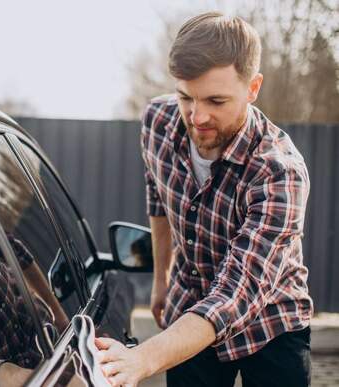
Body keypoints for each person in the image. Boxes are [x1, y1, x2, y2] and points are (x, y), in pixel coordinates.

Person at [96, 12, 312, 387]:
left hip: (271, 320)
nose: (197, 117)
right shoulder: (158, 122)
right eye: (185, 97)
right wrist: (162, 279)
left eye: (216, 100)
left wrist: (141, 358)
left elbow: (235, 292)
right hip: (188, 309)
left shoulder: (280, 173)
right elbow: (158, 198)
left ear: (253, 87)